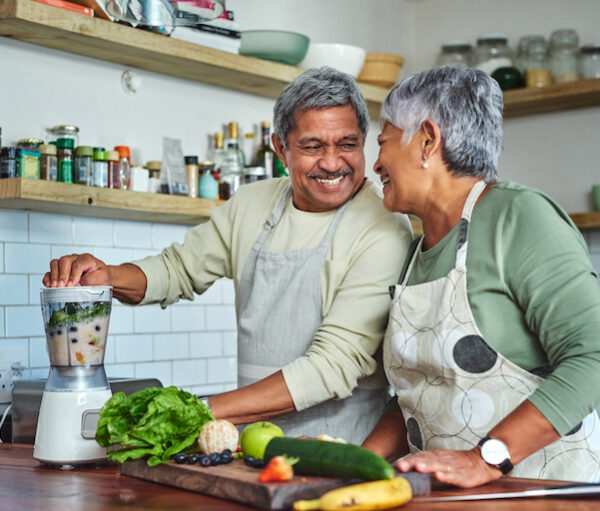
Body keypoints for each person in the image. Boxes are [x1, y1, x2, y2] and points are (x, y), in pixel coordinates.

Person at [44, 67, 413, 444]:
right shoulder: (253, 204)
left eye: (347, 144)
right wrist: (108, 276)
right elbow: (179, 270)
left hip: (342, 455)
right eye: (313, 147)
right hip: (249, 450)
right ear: (280, 149)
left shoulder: (383, 228)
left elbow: (332, 365)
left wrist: (195, 411)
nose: (333, 163)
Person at [361, 65, 600, 487]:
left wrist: (485, 459)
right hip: (449, 497)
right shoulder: (417, 250)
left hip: (546, 493)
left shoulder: (520, 217)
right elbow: (424, 400)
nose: (376, 163)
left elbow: (593, 358)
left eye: (383, 143)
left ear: (427, 141)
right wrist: (353, 463)